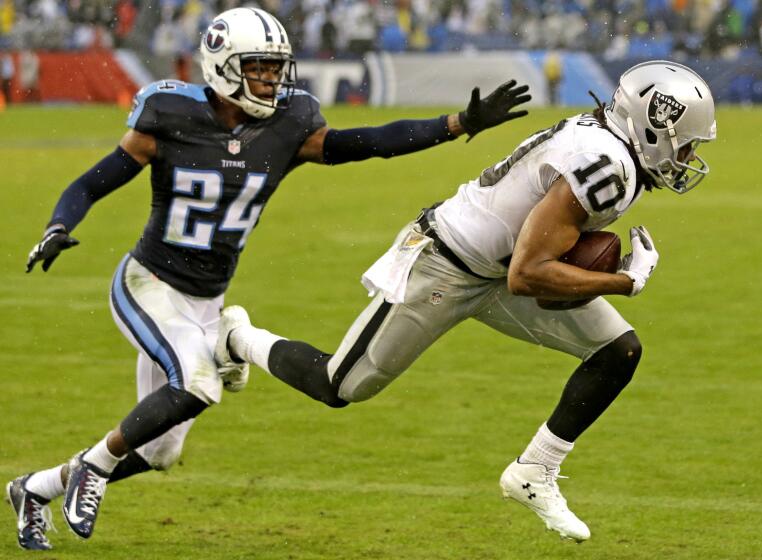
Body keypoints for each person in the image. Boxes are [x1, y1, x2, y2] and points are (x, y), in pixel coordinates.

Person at [6, 7, 530, 551]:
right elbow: (94, 182)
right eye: (258, 67)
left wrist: (458, 125)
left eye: (276, 67)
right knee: (199, 383)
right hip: (149, 284)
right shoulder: (169, 115)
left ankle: (35, 488)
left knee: (161, 449)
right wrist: (58, 225)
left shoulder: (288, 125)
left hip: (208, 297)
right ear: (223, 66)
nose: (272, 79)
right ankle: (96, 463)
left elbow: (369, 141)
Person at [215, 60, 717, 542]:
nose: (688, 155)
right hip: (447, 264)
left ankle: (534, 471)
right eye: (686, 142)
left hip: (499, 267)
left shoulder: (609, 147)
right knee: (341, 385)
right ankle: (239, 337)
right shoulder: (608, 168)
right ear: (655, 129)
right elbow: (529, 276)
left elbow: (524, 267)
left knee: (617, 350)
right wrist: (623, 282)